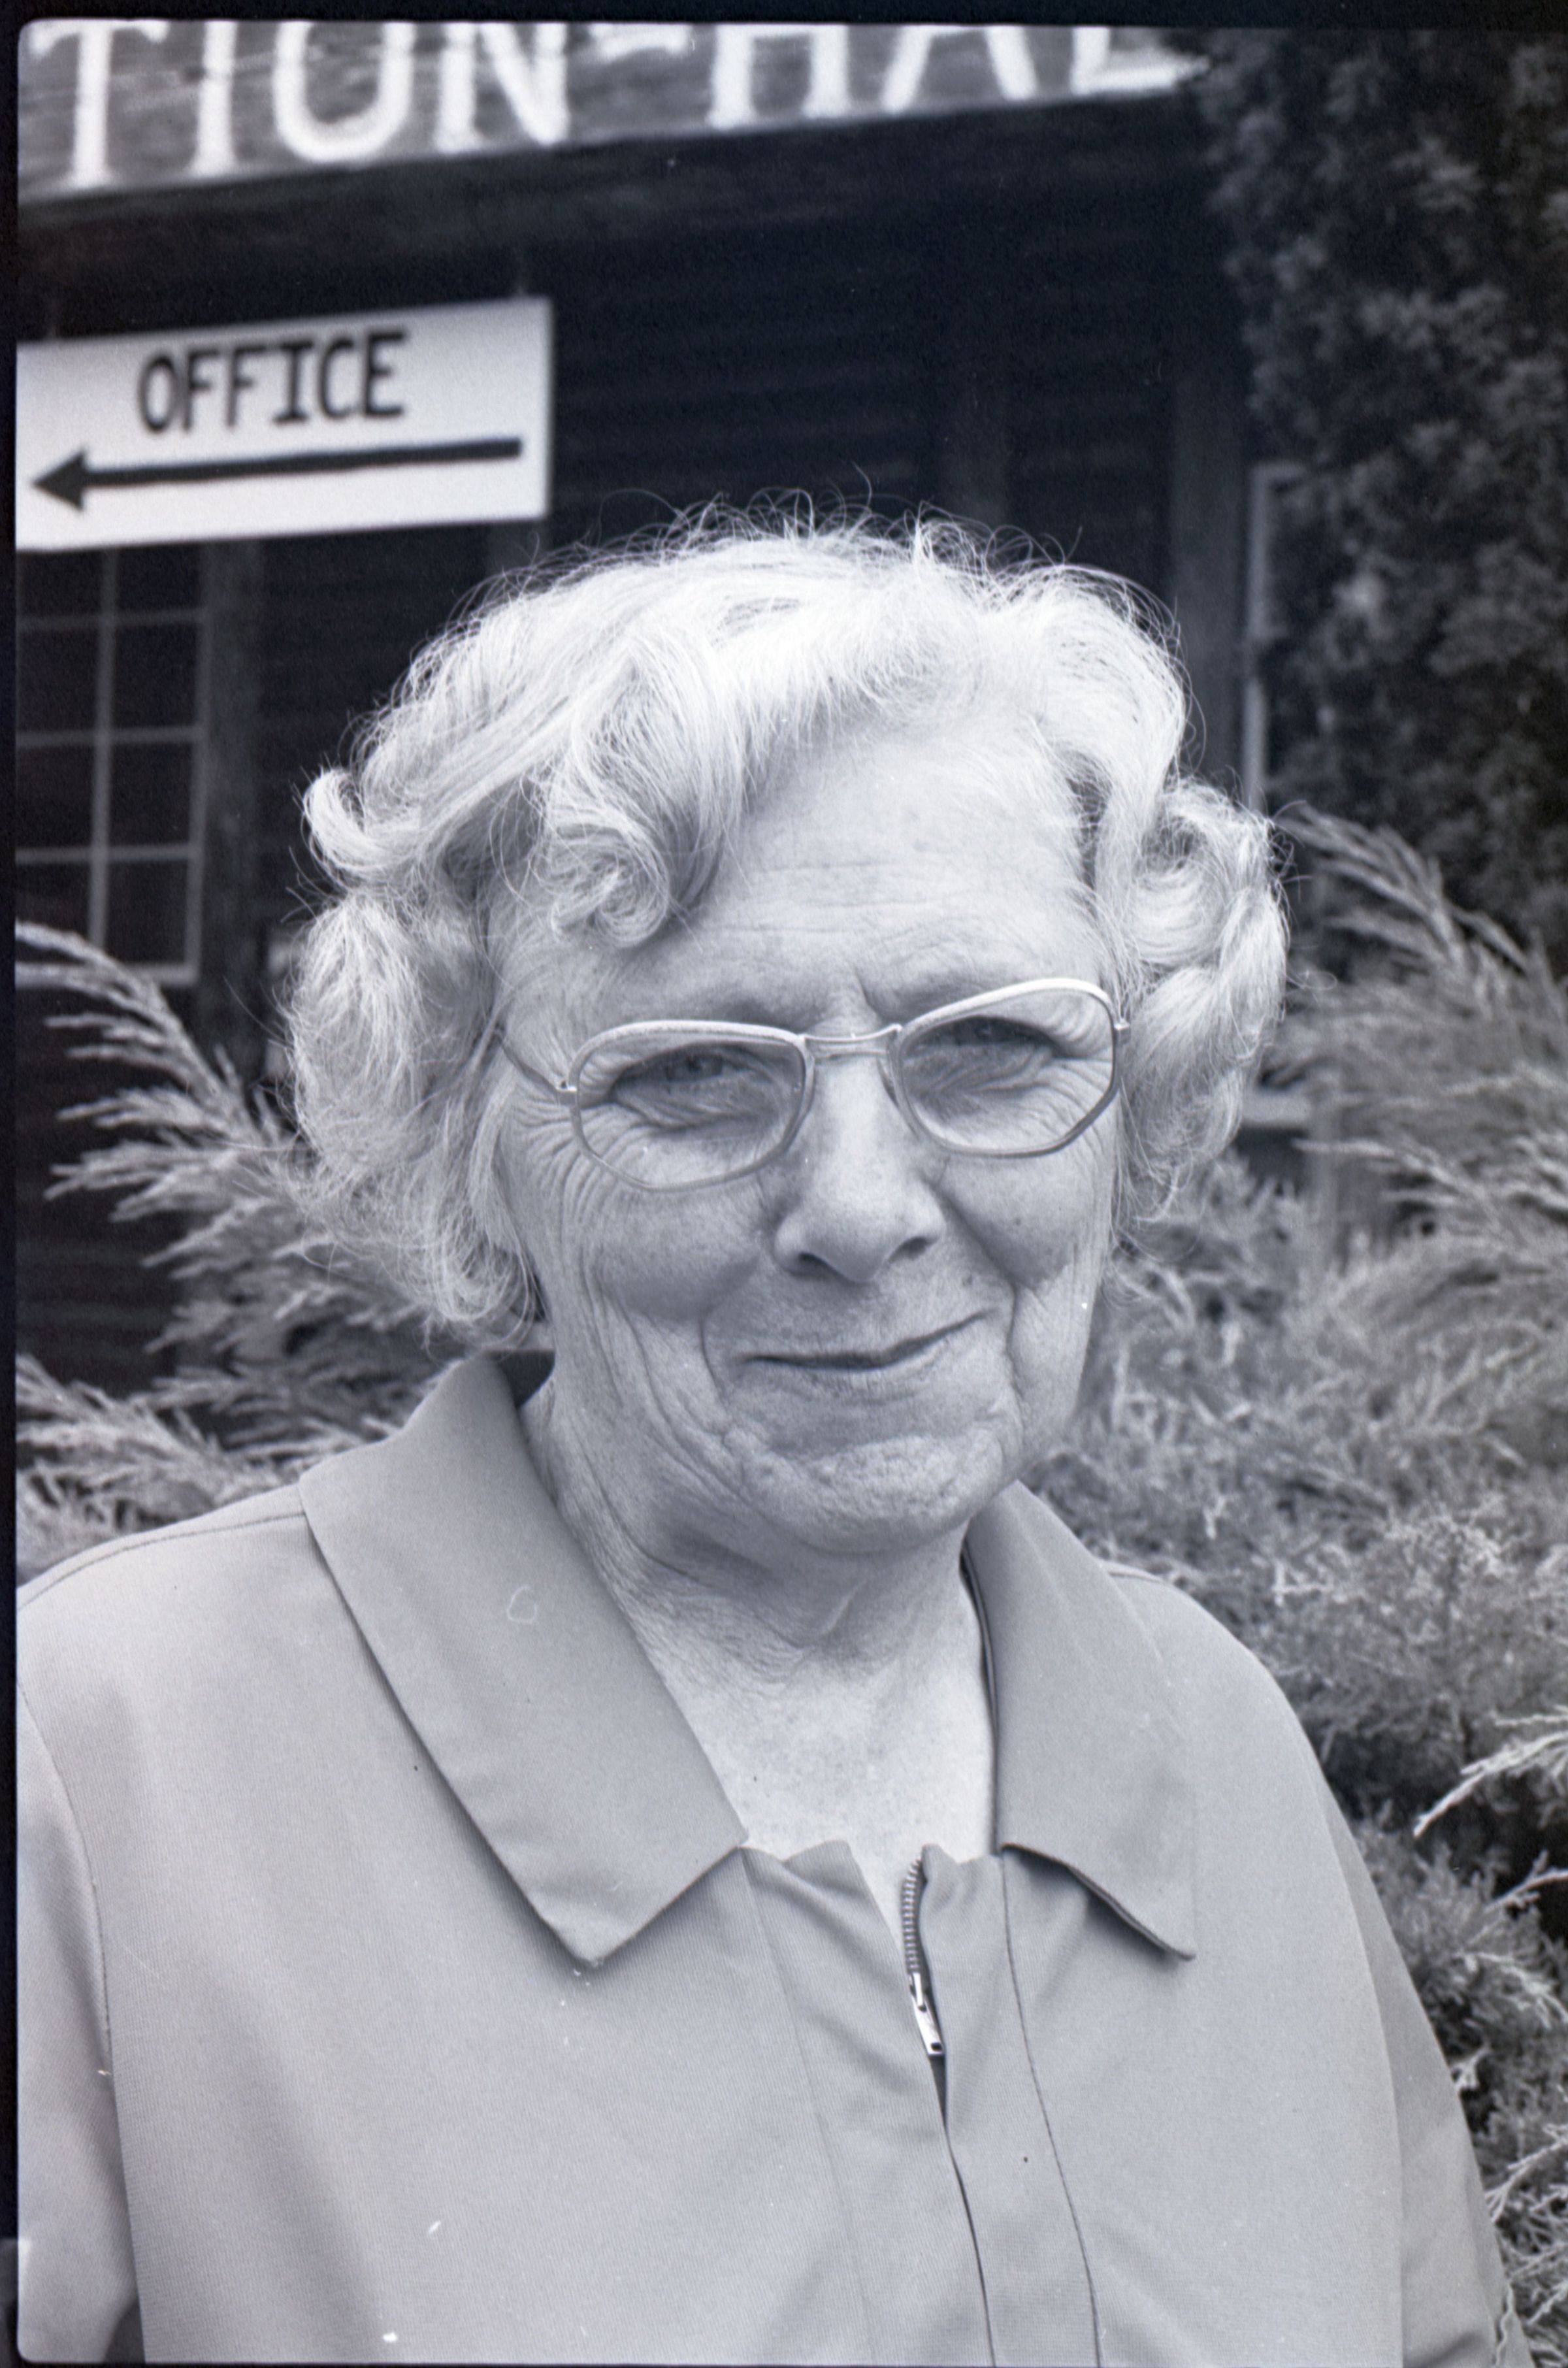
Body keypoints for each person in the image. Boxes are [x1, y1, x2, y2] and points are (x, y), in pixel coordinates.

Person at [18, 516, 1527, 2367]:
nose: (863, 1209)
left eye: (990, 1048)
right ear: (473, 1151)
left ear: (1133, 1100)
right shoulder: (96, 1767)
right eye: (694, 1074)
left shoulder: (1214, 1741)